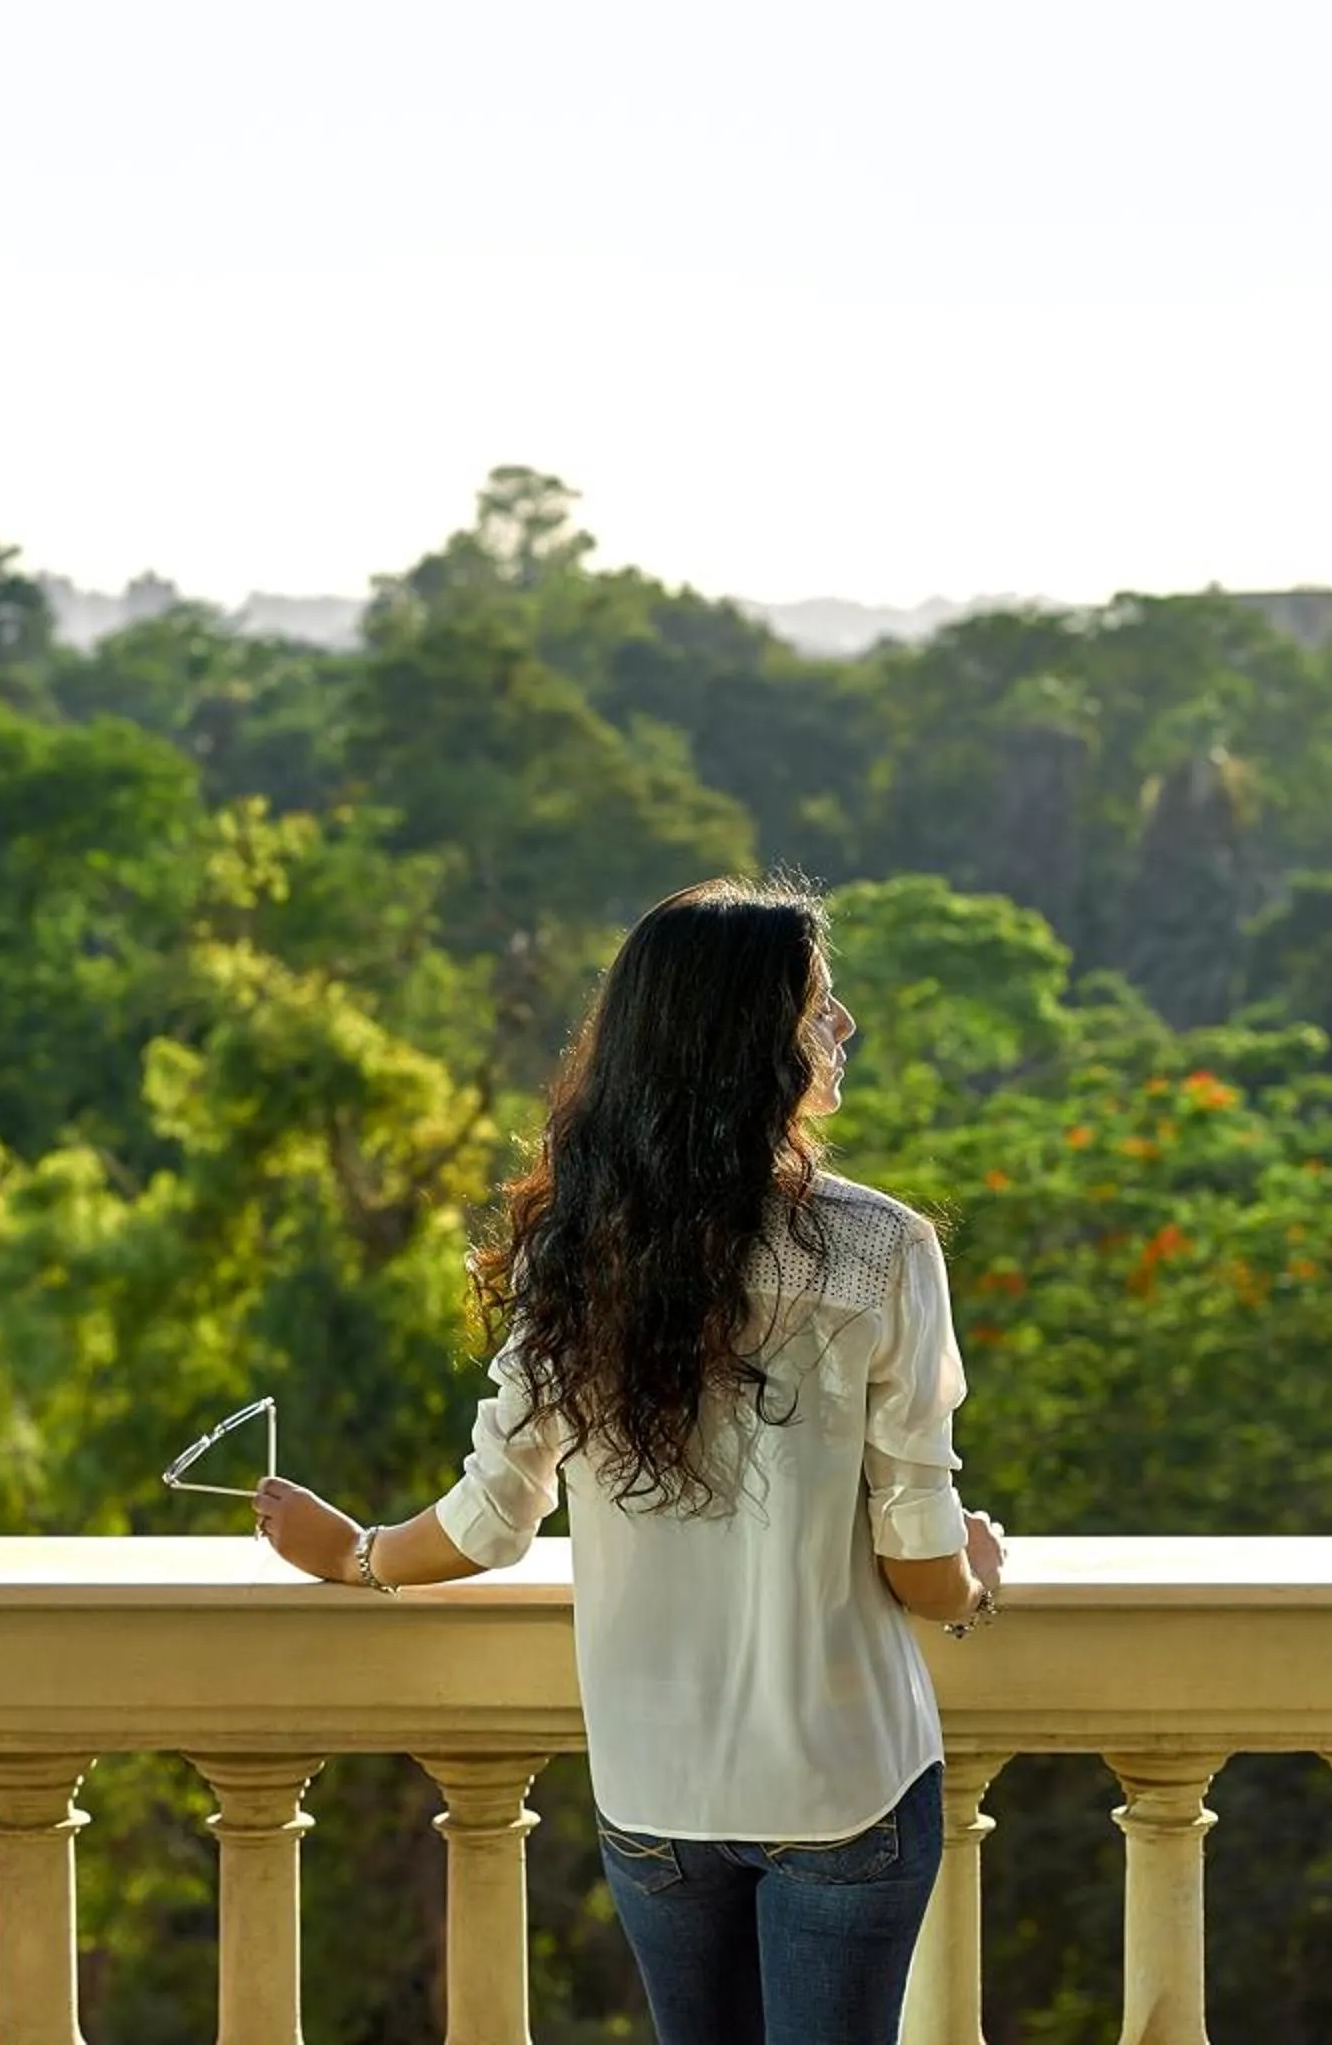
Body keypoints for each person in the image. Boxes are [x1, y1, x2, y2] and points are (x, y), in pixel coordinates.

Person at [251, 875, 1006, 2045]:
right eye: (817, 1005)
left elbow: (492, 1515)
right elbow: (920, 1555)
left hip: (657, 1792)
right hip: (843, 1781)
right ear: (745, 1042)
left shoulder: (574, 1250)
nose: (844, 1025)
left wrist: (354, 1553)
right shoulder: (879, 1250)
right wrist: (976, 1576)